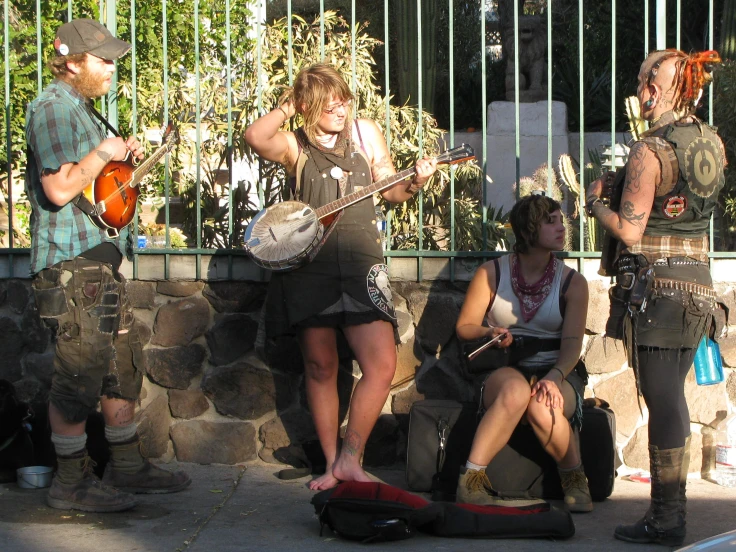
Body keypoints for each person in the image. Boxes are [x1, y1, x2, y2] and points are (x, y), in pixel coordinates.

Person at [243, 62, 437, 490]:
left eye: (344, 99)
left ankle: (352, 457)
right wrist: (289, 105)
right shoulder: (294, 145)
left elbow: (391, 189)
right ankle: (333, 465)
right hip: (309, 268)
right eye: (330, 103)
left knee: (382, 364)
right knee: (320, 366)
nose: (341, 108)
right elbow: (255, 137)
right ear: (309, 106)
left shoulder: (366, 133)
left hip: (361, 262)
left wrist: (417, 182)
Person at [25, 18, 191, 513]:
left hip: (99, 256)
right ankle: (71, 482)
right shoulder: (53, 109)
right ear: (71, 61)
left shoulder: (86, 112)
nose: (111, 68)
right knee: (79, 371)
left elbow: (100, 190)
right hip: (72, 262)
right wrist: (104, 152)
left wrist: (126, 160)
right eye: (102, 59)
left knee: (120, 364)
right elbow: (58, 189)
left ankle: (128, 466)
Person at [586, 49, 724, 546]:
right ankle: (669, 516)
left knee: (663, 403)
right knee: (672, 402)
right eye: (644, 80)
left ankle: (667, 519)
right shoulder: (712, 141)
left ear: (674, 89)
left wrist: (595, 201)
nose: (643, 90)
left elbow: (629, 229)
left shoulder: (651, 150)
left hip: (658, 294)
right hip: (700, 288)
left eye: (652, 82)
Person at [455, 194, 592, 513]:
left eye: (561, 220)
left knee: (542, 404)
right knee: (517, 392)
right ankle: (471, 482)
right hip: (506, 365)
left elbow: (572, 346)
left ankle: (575, 478)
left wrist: (554, 378)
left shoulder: (573, 283)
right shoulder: (492, 273)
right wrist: (489, 332)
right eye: (551, 221)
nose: (561, 227)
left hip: (558, 367)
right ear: (529, 229)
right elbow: (465, 327)